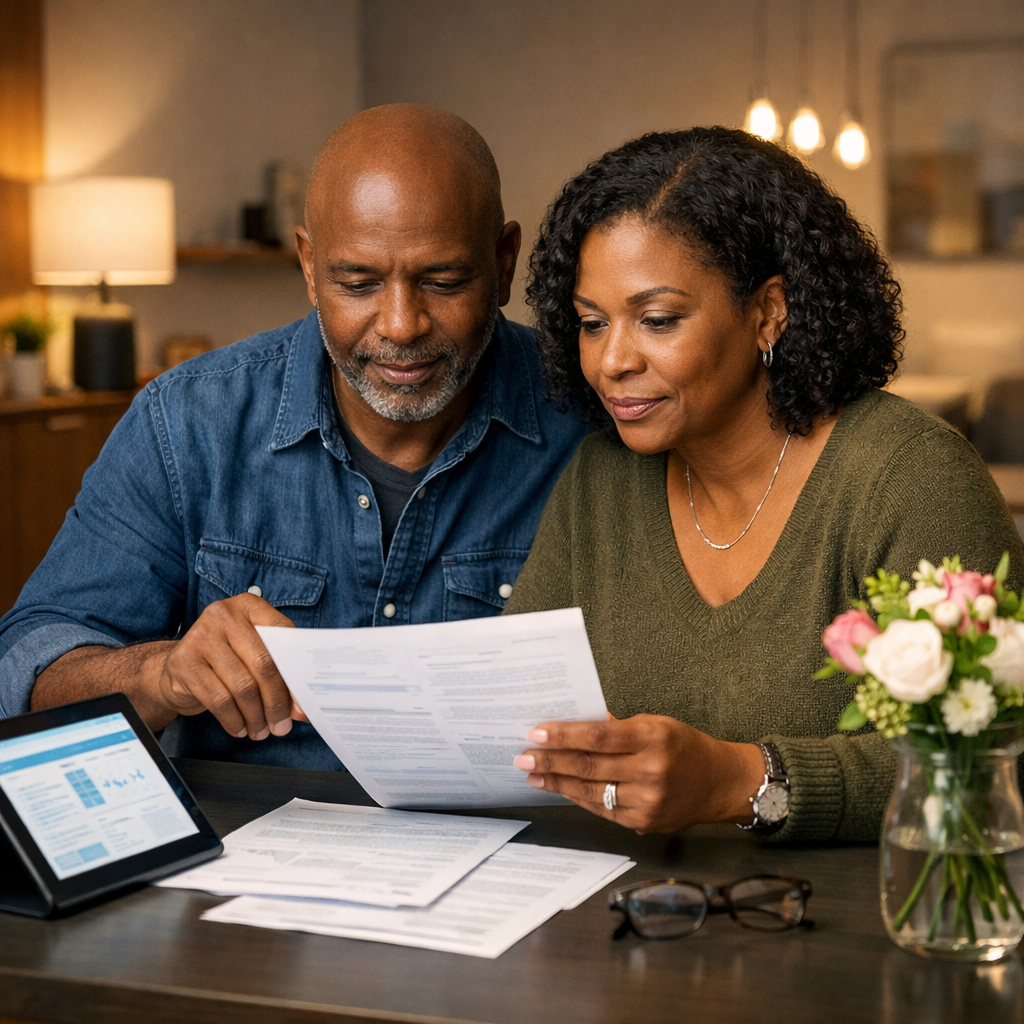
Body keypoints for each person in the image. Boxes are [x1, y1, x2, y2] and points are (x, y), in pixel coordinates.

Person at [0, 104, 591, 768]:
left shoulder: (594, 424)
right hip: (247, 855)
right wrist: (162, 674)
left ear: (504, 260)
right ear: (309, 266)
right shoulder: (188, 422)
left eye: (443, 280)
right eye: (358, 283)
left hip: (522, 855)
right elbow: (26, 670)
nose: (400, 325)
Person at [505, 126, 1024, 841]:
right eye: (592, 323)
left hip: (854, 926)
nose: (613, 360)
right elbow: (510, 709)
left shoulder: (910, 478)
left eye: (657, 320)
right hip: (634, 918)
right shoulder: (600, 482)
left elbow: (989, 756)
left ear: (767, 313)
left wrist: (738, 779)